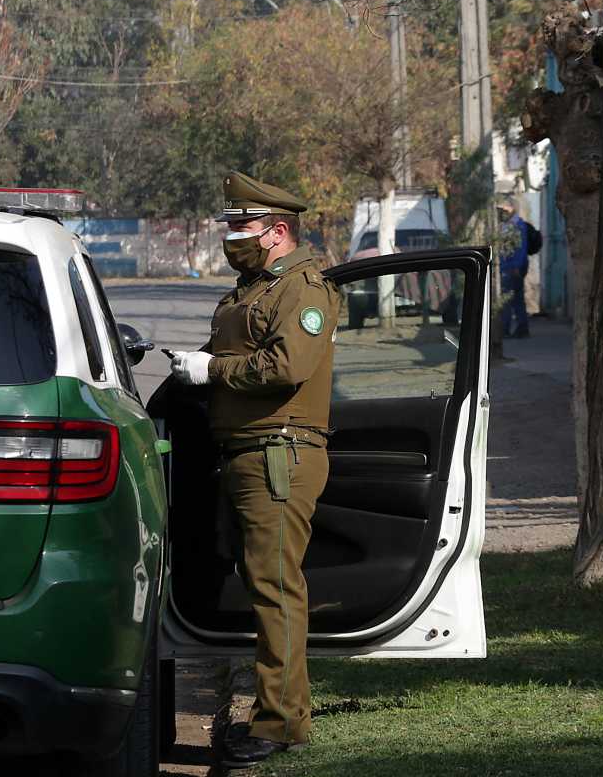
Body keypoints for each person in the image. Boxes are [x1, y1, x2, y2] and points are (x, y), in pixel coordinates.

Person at [167, 171, 340, 769]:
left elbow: (287, 365)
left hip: (279, 454)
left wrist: (210, 371)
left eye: (241, 226)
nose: (232, 236)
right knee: (264, 587)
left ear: (276, 230)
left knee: (275, 591)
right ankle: (274, 712)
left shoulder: (303, 288)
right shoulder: (252, 287)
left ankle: (282, 723)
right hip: (247, 453)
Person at [499, 206, 537, 338]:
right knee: (516, 298)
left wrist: (516, 266)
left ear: (511, 209)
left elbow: (520, 248)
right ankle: (522, 327)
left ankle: (506, 328)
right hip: (511, 266)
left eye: (503, 209)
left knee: (507, 299)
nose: (501, 212)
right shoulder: (510, 225)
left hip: (512, 267)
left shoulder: (517, 226)